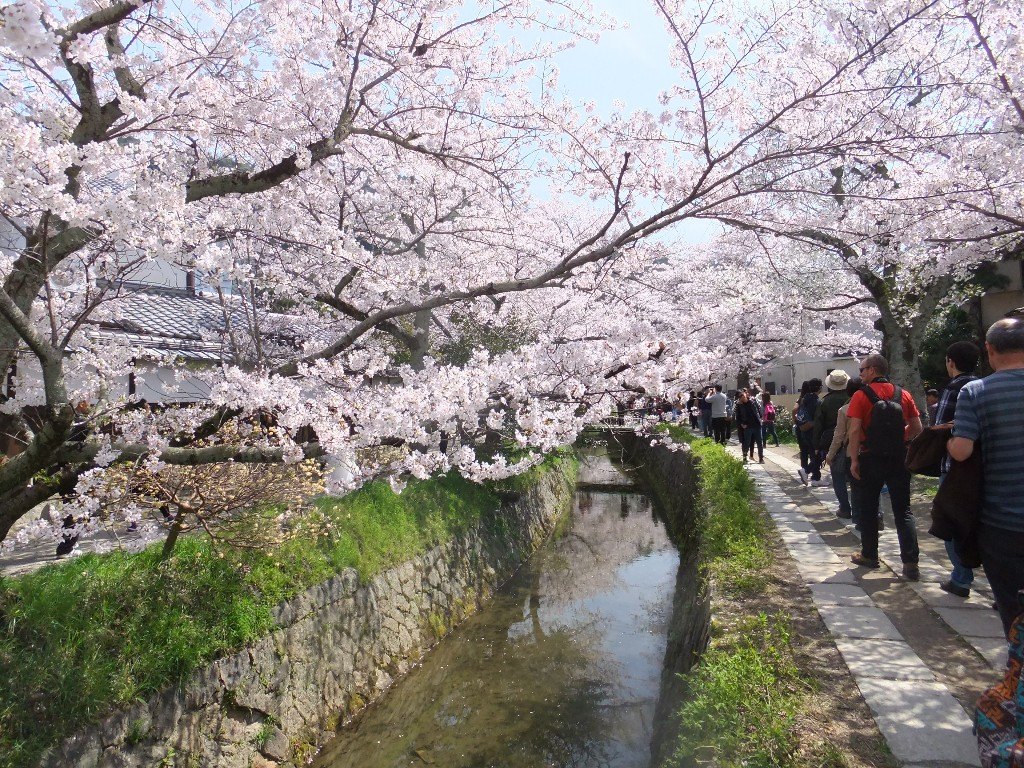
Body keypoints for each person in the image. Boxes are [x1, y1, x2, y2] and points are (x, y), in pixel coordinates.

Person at [948, 318, 1024, 637]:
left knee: (1013, 610)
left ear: (989, 350)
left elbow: (962, 450)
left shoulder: (976, 390)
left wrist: (948, 441)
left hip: (1002, 521)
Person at [847, 354, 923, 579]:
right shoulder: (903, 394)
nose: (860, 374)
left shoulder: (861, 395)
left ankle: (869, 555)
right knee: (903, 510)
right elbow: (917, 427)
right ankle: (911, 563)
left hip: (870, 457)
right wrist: (900, 438)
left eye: (862, 370)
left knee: (869, 507)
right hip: (899, 458)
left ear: (872, 370)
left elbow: (854, 431)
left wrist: (854, 459)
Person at [931, 340, 981, 598]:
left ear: (950, 362)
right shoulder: (984, 385)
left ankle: (961, 579)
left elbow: (940, 429)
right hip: (985, 467)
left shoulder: (953, 389)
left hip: (955, 467)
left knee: (950, 522)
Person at [825, 377, 863, 523]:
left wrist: (830, 454)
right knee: (860, 485)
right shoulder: (873, 405)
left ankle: (845, 508)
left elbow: (839, 435)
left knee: (839, 476)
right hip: (867, 450)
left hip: (849, 451)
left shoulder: (845, 409)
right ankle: (862, 515)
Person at [811, 370, 849, 488]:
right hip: (850, 436)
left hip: (831, 438)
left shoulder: (824, 401)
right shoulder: (851, 398)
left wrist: (816, 445)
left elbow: (818, 425)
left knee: (836, 468)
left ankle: (841, 496)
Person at [795, 379, 822, 485]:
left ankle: (814, 477)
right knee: (819, 455)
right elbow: (819, 418)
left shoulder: (804, 399)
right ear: (820, 388)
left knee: (812, 453)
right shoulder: (817, 402)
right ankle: (807, 471)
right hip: (813, 432)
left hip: (804, 431)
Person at [735, 390, 764, 463]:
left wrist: (761, 419)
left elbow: (759, 411)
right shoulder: (739, 405)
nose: (744, 399)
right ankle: (745, 457)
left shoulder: (753, 402)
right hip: (747, 426)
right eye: (741, 398)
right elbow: (738, 417)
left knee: (759, 442)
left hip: (757, 425)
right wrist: (742, 424)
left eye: (744, 397)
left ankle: (761, 458)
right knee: (746, 443)